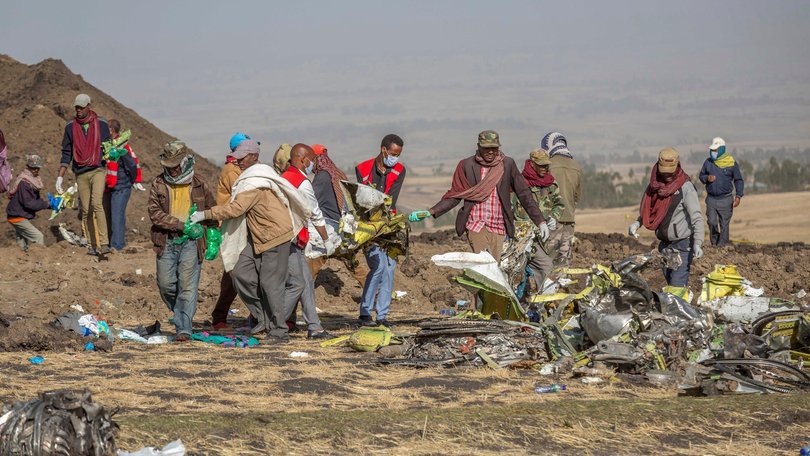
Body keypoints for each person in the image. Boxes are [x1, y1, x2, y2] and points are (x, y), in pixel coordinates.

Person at [191, 140, 311, 343]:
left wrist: (205, 214)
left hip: (274, 236)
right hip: (257, 236)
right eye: (236, 158)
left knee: (270, 283)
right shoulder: (249, 178)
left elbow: (235, 208)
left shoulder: (256, 182)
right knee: (239, 272)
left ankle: (279, 330)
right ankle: (263, 317)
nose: (237, 162)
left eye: (242, 158)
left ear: (254, 157)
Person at [410, 130, 549, 262]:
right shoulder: (467, 165)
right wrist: (431, 212)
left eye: (494, 148)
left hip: (499, 225)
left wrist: (540, 221)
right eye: (486, 148)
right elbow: (455, 195)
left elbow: (524, 194)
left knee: (495, 267)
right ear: (478, 147)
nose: (490, 151)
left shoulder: (507, 164)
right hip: (475, 224)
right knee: (483, 265)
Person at [148, 141, 216, 341]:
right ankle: (180, 313)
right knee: (166, 284)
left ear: (186, 162)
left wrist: (213, 236)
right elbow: (154, 213)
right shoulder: (158, 184)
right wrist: (180, 225)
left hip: (192, 243)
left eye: (176, 166)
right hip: (166, 241)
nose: (173, 170)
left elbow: (211, 211)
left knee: (187, 286)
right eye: (169, 166)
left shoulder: (199, 184)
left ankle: (184, 328)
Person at [629, 148, 705, 288]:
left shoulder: (685, 188)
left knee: (676, 287)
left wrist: (698, 243)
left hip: (682, 245)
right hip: (664, 246)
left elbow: (697, 218)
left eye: (671, 171)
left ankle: (679, 307)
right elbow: (649, 210)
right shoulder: (655, 187)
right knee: (671, 284)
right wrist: (637, 223)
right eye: (664, 172)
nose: (667, 175)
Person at [280, 144, 333, 339]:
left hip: (289, 238)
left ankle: (315, 327)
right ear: (303, 160)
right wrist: (327, 240)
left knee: (307, 283)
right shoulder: (302, 183)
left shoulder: (284, 178)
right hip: (291, 240)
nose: (313, 164)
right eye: (311, 160)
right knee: (297, 283)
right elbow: (315, 214)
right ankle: (273, 323)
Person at [354, 134, 406, 327]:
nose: (395, 158)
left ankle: (382, 315)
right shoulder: (363, 169)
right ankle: (365, 312)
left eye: (398, 155)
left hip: (389, 224)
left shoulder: (399, 170)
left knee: (390, 268)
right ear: (384, 150)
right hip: (368, 225)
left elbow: (391, 199)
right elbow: (362, 198)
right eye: (393, 154)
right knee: (378, 267)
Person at [57, 93, 112, 255]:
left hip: (98, 170)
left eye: (82, 107)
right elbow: (66, 152)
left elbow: (108, 146)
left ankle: (104, 243)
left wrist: (110, 154)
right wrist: (60, 175)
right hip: (80, 172)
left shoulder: (101, 124)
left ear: (89, 106)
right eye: (77, 107)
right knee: (86, 210)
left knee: (96, 203)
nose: (79, 110)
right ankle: (92, 245)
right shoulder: (70, 127)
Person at [308, 144, 369, 286]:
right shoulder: (337, 173)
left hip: (328, 230)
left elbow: (310, 201)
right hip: (342, 229)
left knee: (312, 265)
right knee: (353, 264)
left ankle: (302, 298)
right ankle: (374, 292)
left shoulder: (322, 177)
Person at [210, 132, 250, 331]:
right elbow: (243, 197)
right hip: (232, 226)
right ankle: (219, 317)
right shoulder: (233, 171)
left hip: (239, 225)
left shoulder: (236, 168)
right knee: (233, 274)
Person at [512, 148, 565, 294]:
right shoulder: (520, 184)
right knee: (517, 273)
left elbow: (559, 204)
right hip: (520, 239)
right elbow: (511, 210)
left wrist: (554, 216)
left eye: (546, 165)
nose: (544, 168)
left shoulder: (551, 184)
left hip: (542, 239)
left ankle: (543, 304)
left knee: (546, 269)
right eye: (541, 165)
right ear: (532, 164)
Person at [542, 132, 581, 267]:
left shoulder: (547, 165)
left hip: (551, 219)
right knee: (565, 259)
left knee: (548, 258)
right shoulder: (576, 166)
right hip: (569, 219)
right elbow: (577, 196)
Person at [698, 137, 744, 247]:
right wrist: (707, 178)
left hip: (726, 198)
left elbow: (738, 180)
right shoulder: (708, 162)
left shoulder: (731, 163)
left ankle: (722, 246)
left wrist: (738, 196)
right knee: (712, 222)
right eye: (712, 150)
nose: (713, 152)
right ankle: (715, 243)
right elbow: (701, 176)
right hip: (711, 199)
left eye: (715, 150)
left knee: (724, 224)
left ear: (722, 149)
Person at [103, 119, 138, 251]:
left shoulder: (121, 146)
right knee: (115, 215)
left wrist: (133, 180)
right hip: (113, 187)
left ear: (111, 130)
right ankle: (115, 242)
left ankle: (117, 246)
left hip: (122, 186)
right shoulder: (110, 146)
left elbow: (132, 164)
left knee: (117, 215)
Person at [6, 155, 54, 251]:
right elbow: (29, 203)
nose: (35, 170)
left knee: (21, 243)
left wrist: (48, 205)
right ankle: (40, 261)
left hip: (16, 214)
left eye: (37, 168)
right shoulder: (25, 182)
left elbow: (33, 200)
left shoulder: (31, 180)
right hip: (17, 216)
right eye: (33, 168)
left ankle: (22, 261)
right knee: (38, 237)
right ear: (28, 166)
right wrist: (47, 205)